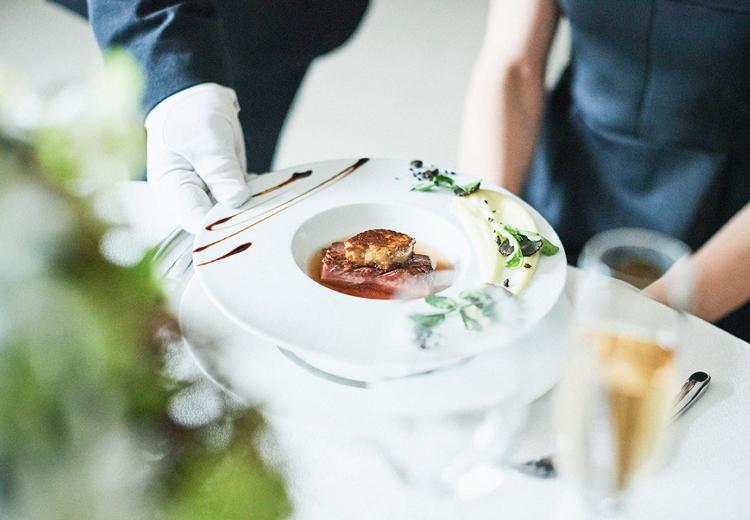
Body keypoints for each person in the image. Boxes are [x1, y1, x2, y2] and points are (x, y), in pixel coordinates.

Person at [459, 0, 750, 340]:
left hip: (727, 238)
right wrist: (488, 236)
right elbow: (513, 67)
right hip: (569, 181)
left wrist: (649, 317)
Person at [51, 0, 369, 232]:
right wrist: (171, 78)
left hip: (283, 21)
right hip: (159, 17)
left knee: (239, 170)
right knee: (164, 191)